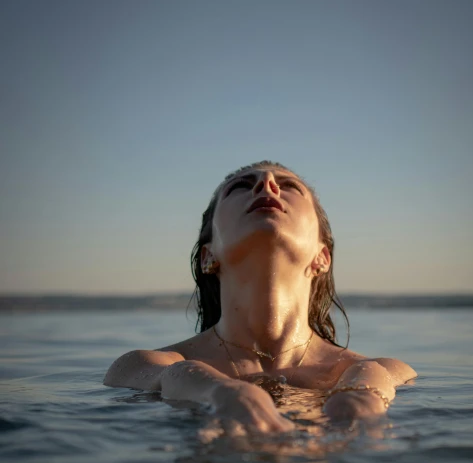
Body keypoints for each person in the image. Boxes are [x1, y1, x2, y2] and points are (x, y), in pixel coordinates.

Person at [104, 160, 417, 433]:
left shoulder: (383, 371)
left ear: (322, 256)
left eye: (289, 186)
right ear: (207, 256)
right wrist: (222, 393)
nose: (267, 185)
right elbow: (163, 376)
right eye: (241, 186)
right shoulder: (142, 366)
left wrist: (362, 393)